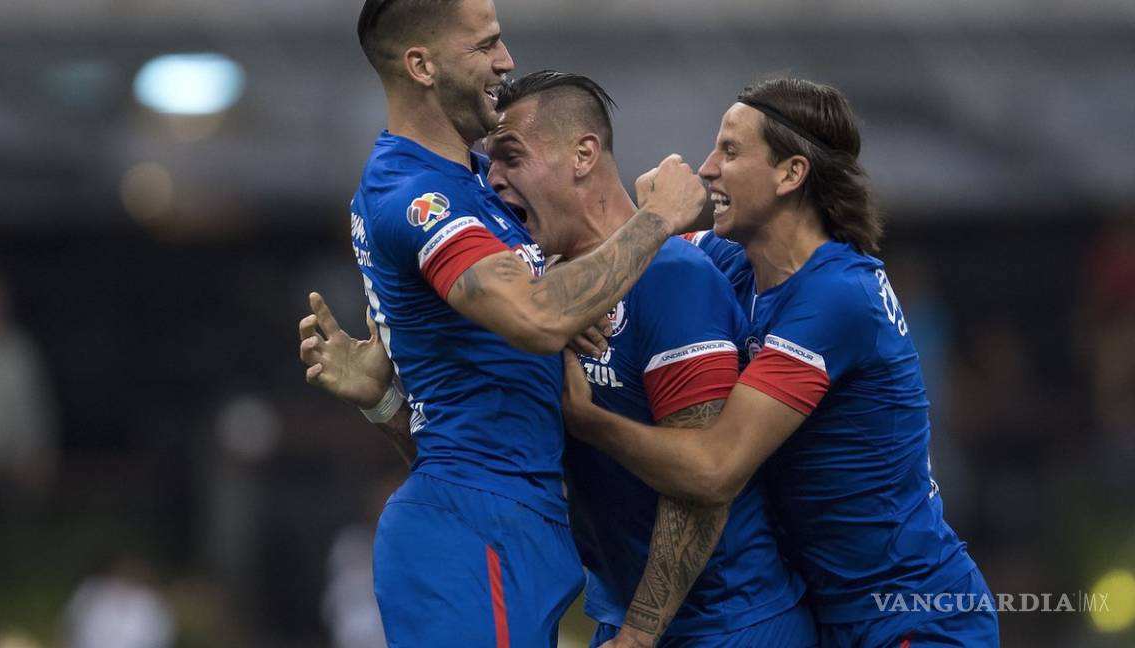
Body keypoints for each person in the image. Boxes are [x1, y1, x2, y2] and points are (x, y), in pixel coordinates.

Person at [304, 71, 817, 647]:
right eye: (488, 161)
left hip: (728, 622)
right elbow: (492, 470)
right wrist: (383, 401)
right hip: (623, 618)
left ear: (582, 155)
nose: (492, 180)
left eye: (512, 157)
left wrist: (642, 632)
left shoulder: (671, 276)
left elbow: (704, 490)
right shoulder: (541, 310)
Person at [562, 79, 1000, 647]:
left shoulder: (837, 298)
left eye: (730, 151)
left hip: (913, 617)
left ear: (792, 174)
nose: (707, 168)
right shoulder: (737, 261)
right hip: (829, 614)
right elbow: (633, 253)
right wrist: (585, 284)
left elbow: (716, 469)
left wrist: (588, 420)